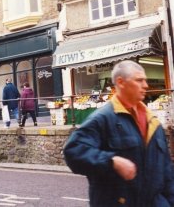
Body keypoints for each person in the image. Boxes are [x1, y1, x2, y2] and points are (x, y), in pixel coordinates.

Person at [63, 60, 174, 207]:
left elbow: (167, 172)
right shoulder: (102, 119)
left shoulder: (153, 122)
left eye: (145, 80)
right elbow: (73, 151)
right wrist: (111, 161)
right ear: (121, 82)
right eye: (139, 80)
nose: (146, 86)